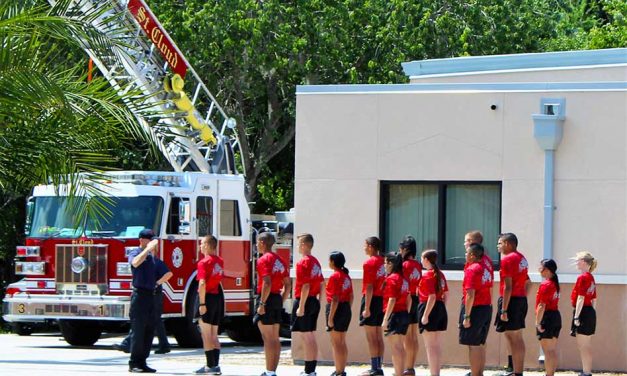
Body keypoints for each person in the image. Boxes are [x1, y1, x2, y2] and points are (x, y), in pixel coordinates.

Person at [113, 254, 172, 355]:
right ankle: (164, 345)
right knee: (153, 321)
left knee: (147, 321)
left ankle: (128, 344)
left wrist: (157, 283)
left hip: (154, 294)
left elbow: (169, 274)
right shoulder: (146, 261)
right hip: (151, 294)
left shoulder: (155, 261)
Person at [255, 232, 291, 376]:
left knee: (268, 338)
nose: (256, 245)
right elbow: (288, 284)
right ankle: (272, 370)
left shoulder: (263, 260)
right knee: (275, 338)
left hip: (268, 298)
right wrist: (281, 301)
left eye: (258, 242)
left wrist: (262, 303)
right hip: (277, 298)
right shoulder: (280, 260)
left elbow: (267, 282)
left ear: (262, 243)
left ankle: (269, 372)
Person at [495, 233, 530, 376]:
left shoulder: (508, 260)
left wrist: (504, 310)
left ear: (508, 244)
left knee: (514, 337)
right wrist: (523, 297)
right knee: (515, 336)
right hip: (520, 299)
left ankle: (518, 372)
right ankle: (516, 371)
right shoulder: (522, 258)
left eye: (500, 243)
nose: (498, 246)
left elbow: (507, 287)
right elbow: (528, 282)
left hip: (511, 301)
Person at [127, 229, 160, 373]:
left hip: (150, 295)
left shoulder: (152, 257)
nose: (153, 242)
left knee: (149, 330)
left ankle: (143, 361)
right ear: (142, 240)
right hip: (139, 296)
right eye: (150, 239)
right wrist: (147, 249)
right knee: (138, 331)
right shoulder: (136, 252)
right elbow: (134, 263)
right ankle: (134, 362)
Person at [291, 233, 324, 376]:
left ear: (304, 245)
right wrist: (319, 301)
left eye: (299, 244)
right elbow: (321, 283)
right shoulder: (316, 262)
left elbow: (305, 286)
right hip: (314, 300)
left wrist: (301, 306)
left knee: (306, 336)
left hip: (305, 299)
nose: (298, 246)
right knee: (311, 335)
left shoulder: (303, 262)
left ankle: (308, 370)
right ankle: (311, 369)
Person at [459, 243, 492, 376]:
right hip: (486, 307)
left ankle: (475, 373)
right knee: (480, 344)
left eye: (467, 253)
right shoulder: (485, 267)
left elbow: (470, 294)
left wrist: (467, 316)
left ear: (472, 255)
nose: (465, 255)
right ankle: (479, 373)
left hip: (475, 309)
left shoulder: (472, 269)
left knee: (473, 345)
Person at [194, 235, 224, 375]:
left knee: (206, 335)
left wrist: (202, 303)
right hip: (217, 298)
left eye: (201, 243)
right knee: (214, 334)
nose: (200, 246)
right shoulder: (220, 261)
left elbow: (202, 283)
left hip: (207, 298)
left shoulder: (203, 262)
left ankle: (210, 366)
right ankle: (215, 365)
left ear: (207, 245)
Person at [418, 249, 448, 376]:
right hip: (440, 308)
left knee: (430, 346)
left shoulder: (427, 275)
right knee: (436, 346)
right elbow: (446, 294)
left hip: (429, 307)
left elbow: (431, 297)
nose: (421, 261)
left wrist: (425, 315)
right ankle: (436, 373)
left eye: (422, 258)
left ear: (426, 260)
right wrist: (442, 309)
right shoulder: (440, 274)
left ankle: (433, 373)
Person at [360, 236, 386, 376]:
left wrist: (367, 307)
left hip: (372, 299)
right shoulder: (383, 262)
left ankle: (374, 368)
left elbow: (369, 286)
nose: (364, 248)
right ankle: (379, 366)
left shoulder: (369, 263)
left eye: (365, 245)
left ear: (370, 246)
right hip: (382, 300)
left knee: (371, 337)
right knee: (378, 336)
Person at [382, 252, 410, 376]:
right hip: (403, 313)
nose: (384, 265)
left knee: (395, 348)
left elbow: (391, 299)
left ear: (391, 264)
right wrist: (406, 312)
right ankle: (399, 372)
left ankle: (398, 373)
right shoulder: (403, 278)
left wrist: (385, 319)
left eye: (385, 262)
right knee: (400, 346)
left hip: (395, 314)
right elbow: (409, 298)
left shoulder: (392, 278)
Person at [325, 251, 353, 376]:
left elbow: (334, 299)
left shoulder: (335, 276)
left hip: (336, 309)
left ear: (333, 262)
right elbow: (351, 296)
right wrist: (347, 309)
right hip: (346, 308)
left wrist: (330, 318)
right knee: (342, 341)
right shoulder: (346, 276)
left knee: (336, 343)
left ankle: (338, 371)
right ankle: (342, 370)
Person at [570, 251, 597, 376]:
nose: (576, 262)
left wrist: (577, 316)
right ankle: (586, 371)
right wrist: (592, 313)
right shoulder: (590, 277)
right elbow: (594, 299)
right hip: (589, 311)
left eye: (578, 260)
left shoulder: (583, 277)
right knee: (586, 344)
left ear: (585, 262)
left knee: (583, 345)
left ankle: (586, 372)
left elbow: (580, 297)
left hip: (583, 311)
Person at [399, 235, 422, 376]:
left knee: (407, 336)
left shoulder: (404, 265)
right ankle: (411, 366)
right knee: (413, 335)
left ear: (405, 249)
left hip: (407, 299)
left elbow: (403, 284)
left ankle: (407, 367)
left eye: (401, 248)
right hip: (416, 298)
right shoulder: (418, 264)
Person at [535, 259, 561, 376]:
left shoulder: (546, 284)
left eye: (541, 268)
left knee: (548, 351)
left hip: (548, 317)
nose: (539, 270)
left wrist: (537, 322)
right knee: (552, 350)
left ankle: (549, 374)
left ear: (547, 270)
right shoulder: (554, 283)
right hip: (555, 316)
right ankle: (550, 373)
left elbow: (542, 305)